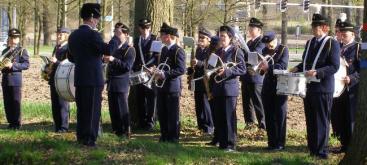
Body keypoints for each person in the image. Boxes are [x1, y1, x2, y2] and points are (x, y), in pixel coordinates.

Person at [291, 13, 340, 159]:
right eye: (313, 26)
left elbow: (334, 66)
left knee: (321, 120)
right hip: (309, 87)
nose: (313, 29)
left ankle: (322, 151)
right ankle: (312, 149)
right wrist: (296, 68)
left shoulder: (332, 43)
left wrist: (318, 72)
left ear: (325, 27)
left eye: (316, 26)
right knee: (311, 119)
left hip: (323, 87)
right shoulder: (310, 42)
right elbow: (307, 61)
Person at [67, 3, 111, 147]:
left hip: (80, 78)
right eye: (97, 18)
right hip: (93, 79)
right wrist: (117, 38)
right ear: (92, 18)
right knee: (92, 111)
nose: (97, 21)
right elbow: (108, 49)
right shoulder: (93, 34)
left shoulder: (73, 35)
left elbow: (71, 57)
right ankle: (89, 139)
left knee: (82, 110)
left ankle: (81, 137)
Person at [210, 25, 246, 152]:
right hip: (218, 88)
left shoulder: (237, 51)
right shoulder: (218, 52)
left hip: (229, 89)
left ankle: (231, 144)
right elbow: (211, 67)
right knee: (220, 117)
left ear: (230, 38)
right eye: (220, 36)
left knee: (229, 118)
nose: (221, 38)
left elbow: (242, 69)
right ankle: (223, 143)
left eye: (224, 36)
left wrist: (226, 71)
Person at [330, 21, 360, 153]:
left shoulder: (359, 48)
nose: (342, 37)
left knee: (350, 118)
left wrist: (352, 78)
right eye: (340, 34)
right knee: (339, 117)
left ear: (352, 34)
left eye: (345, 34)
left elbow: (363, 69)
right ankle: (344, 144)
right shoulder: (337, 47)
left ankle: (352, 146)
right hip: (338, 89)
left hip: (351, 89)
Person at [154, 23, 186, 143]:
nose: (160, 37)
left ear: (168, 36)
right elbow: (162, 66)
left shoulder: (178, 51)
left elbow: (181, 69)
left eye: (162, 35)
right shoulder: (163, 49)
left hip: (172, 87)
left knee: (172, 114)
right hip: (162, 86)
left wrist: (164, 74)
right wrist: (156, 70)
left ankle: (173, 137)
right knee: (162, 112)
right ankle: (164, 135)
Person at [258, 31, 289, 151]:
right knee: (269, 115)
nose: (267, 46)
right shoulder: (265, 51)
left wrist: (268, 68)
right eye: (266, 44)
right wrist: (259, 68)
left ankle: (280, 143)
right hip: (267, 86)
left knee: (280, 115)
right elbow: (263, 70)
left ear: (275, 39)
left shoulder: (283, 49)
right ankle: (271, 142)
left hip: (280, 85)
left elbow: (282, 66)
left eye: (269, 43)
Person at [104, 23, 135, 138]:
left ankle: (126, 131)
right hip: (111, 81)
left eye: (119, 33)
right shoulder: (113, 47)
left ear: (126, 35)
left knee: (122, 108)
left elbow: (127, 67)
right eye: (115, 33)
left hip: (122, 82)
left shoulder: (129, 49)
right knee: (113, 108)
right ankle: (116, 131)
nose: (116, 35)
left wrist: (113, 59)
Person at [1, 28, 30, 130]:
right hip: (5, 79)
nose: (13, 40)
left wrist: (13, 65)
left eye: (16, 38)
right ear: (9, 38)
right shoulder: (5, 50)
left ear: (18, 38)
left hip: (15, 80)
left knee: (15, 101)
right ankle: (10, 123)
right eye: (12, 37)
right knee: (7, 102)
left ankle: (17, 124)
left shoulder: (22, 51)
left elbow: (26, 65)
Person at [240, 17, 266, 129]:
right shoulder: (249, 42)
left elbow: (256, 54)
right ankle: (249, 123)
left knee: (258, 102)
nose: (250, 30)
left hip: (256, 77)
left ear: (259, 30)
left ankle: (262, 124)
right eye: (249, 28)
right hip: (246, 75)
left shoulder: (261, 41)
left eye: (252, 28)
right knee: (247, 102)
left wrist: (244, 51)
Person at [132, 18, 158, 131]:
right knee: (140, 97)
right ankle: (141, 120)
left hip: (151, 72)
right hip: (139, 71)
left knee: (151, 98)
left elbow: (158, 56)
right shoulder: (136, 40)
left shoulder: (155, 39)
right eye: (144, 28)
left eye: (148, 27)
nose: (146, 30)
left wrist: (154, 67)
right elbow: (135, 57)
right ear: (140, 28)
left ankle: (150, 121)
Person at [189, 27, 214, 134]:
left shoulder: (211, 50)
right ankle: (201, 126)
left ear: (209, 39)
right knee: (198, 104)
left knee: (205, 105)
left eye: (203, 38)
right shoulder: (198, 49)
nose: (200, 40)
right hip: (197, 79)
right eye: (199, 38)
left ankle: (209, 127)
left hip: (206, 81)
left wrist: (198, 63)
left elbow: (211, 65)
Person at [48, 27, 71, 133]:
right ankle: (57, 126)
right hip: (54, 78)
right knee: (55, 104)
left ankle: (64, 127)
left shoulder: (68, 48)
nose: (58, 36)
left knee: (63, 104)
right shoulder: (57, 47)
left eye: (61, 34)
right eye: (57, 34)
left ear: (66, 35)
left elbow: (68, 64)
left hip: (63, 80)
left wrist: (56, 62)